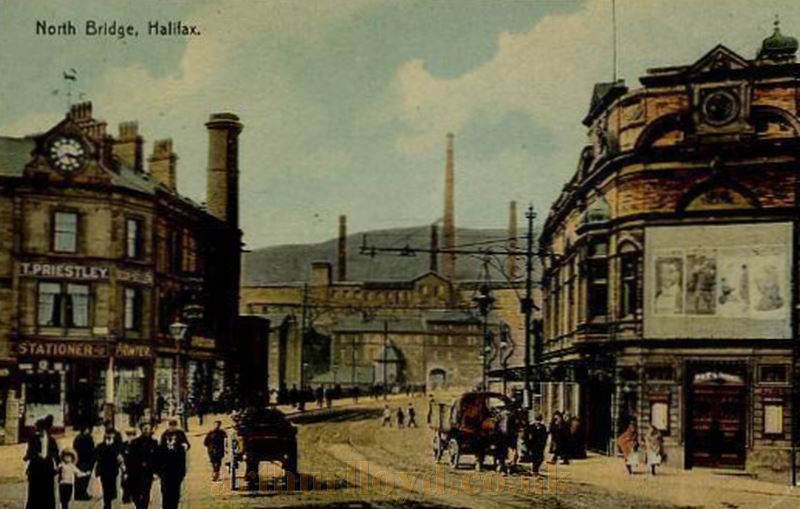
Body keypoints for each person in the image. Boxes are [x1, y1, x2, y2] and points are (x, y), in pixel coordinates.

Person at [24, 416, 60, 509]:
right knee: (34, 491)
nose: (40, 432)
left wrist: (58, 465)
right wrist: (34, 455)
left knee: (48, 491)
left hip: (47, 469)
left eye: (42, 430)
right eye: (39, 430)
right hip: (36, 468)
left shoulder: (52, 440)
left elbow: (56, 454)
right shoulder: (33, 439)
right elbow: (29, 452)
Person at [126, 421, 158, 509]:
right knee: (135, 493)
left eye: (148, 429)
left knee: (145, 492)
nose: (147, 431)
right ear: (141, 430)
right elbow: (129, 459)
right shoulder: (135, 443)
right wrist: (127, 472)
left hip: (148, 472)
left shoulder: (154, 443)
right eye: (145, 429)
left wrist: (156, 472)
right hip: (136, 472)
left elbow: (157, 458)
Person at [157, 422, 189, 509]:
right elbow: (160, 450)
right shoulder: (164, 435)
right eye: (171, 426)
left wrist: (185, 446)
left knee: (175, 491)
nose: (172, 427)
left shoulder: (180, 434)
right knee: (165, 491)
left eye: (174, 426)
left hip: (177, 468)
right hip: (166, 469)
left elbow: (186, 444)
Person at [95, 428, 124, 509]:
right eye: (107, 435)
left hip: (113, 471)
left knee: (112, 490)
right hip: (104, 471)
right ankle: (107, 505)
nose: (109, 437)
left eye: (111, 436)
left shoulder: (116, 446)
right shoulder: (100, 446)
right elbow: (98, 457)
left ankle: (109, 503)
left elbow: (118, 457)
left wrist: (110, 446)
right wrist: (107, 446)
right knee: (105, 489)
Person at [72, 426, 94, 501]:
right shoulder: (87, 438)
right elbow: (91, 449)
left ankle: (79, 494)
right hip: (86, 461)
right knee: (84, 478)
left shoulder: (78, 438)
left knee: (80, 478)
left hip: (80, 461)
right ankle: (82, 494)